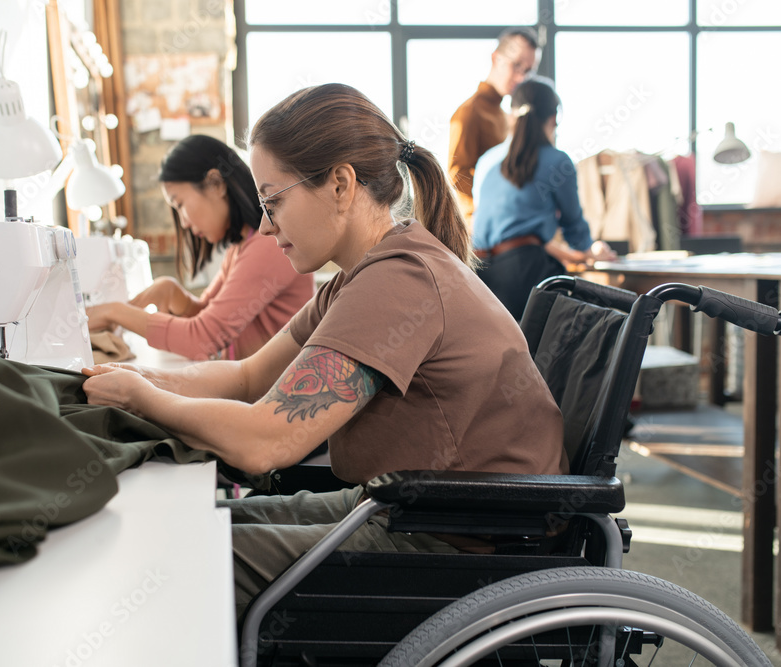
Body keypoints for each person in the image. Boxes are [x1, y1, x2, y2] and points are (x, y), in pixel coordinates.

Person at [81, 83, 567, 619]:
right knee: (194, 521)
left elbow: (268, 442)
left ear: (340, 184)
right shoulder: (362, 275)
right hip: (407, 506)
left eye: (274, 201)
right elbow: (246, 378)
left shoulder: (398, 282)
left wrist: (139, 396)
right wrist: (128, 384)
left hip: (456, 544)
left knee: (170, 554)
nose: (265, 225)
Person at [85, 134, 315, 360]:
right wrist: (173, 293)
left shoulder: (269, 246)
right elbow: (210, 318)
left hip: (274, 391)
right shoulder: (242, 246)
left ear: (216, 183)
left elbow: (202, 340)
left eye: (180, 204)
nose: (183, 222)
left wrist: (114, 311)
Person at [471, 77, 615, 321]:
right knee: (598, 317)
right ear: (552, 120)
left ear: (510, 116)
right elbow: (573, 224)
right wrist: (591, 249)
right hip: (525, 275)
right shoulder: (557, 161)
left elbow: (505, 227)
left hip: (480, 278)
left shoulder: (486, 161)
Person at [448, 27, 539, 224]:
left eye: (528, 71)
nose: (521, 78)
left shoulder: (507, 117)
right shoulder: (468, 112)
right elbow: (457, 176)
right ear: (495, 58)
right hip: (484, 231)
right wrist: (482, 219)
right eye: (516, 66)